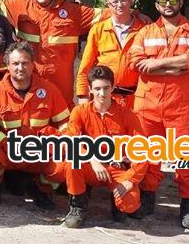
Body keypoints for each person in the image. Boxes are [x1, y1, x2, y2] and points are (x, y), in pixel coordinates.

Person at [127, 0, 189, 230]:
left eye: (173, 0)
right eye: (163, 0)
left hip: (182, 105)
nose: (168, 4)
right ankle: (147, 199)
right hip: (148, 104)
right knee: (147, 153)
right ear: (156, 6)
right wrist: (178, 65)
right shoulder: (144, 33)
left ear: (180, 2)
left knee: (186, 155)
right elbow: (134, 62)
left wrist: (157, 64)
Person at [0, 42, 69, 209]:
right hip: (8, 152)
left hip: (39, 152)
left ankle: (41, 189)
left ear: (32, 64)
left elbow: (65, 123)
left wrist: (57, 143)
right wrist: (8, 144)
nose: (20, 67)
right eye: (15, 63)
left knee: (63, 166)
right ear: (7, 66)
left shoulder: (49, 90)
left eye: (25, 63)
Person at [61, 65, 146, 228]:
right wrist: (92, 159)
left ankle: (117, 200)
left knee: (129, 204)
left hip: (117, 168)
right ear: (90, 90)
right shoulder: (80, 111)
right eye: (97, 88)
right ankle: (78, 205)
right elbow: (70, 140)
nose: (102, 93)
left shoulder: (127, 115)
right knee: (73, 162)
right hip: (91, 167)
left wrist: (131, 179)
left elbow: (142, 150)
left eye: (106, 88)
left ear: (113, 87)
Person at [1, 0, 102, 107]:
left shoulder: (73, 12)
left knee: (63, 115)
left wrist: (135, 14)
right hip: (31, 76)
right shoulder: (20, 6)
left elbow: (112, 13)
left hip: (61, 83)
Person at [75, 0, 146, 106]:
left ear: (131, 1)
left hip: (137, 99)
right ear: (108, 5)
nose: (119, 5)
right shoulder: (98, 30)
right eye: (115, 2)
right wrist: (83, 96)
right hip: (105, 98)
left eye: (123, 0)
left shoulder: (145, 29)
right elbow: (85, 67)